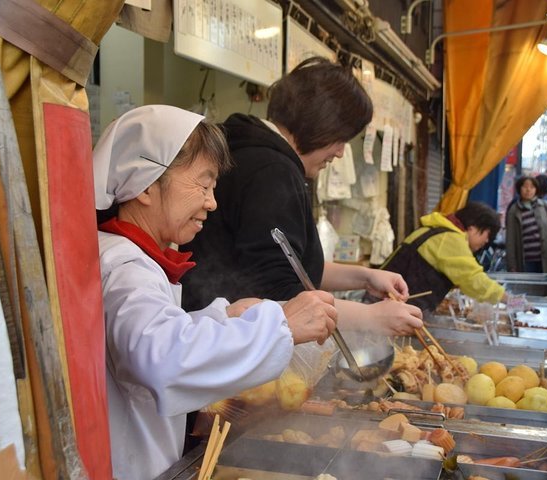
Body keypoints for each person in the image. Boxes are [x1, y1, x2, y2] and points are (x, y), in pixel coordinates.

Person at [94, 105, 338, 479]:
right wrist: (280, 323)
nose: (212, 202)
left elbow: (153, 336)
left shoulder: (130, 257)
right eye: (203, 185)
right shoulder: (127, 268)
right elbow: (159, 359)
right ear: (146, 184)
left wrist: (223, 317)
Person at [180, 57, 423, 337]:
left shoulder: (249, 151)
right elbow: (278, 292)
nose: (341, 153)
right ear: (322, 124)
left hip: (213, 328)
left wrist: (365, 276)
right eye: (341, 139)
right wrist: (370, 317)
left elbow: (292, 264)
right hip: (233, 341)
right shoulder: (272, 171)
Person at [376, 202, 506, 311]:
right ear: (472, 228)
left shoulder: (437, 230)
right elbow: (472, 279)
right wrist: (509, 300)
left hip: (384, 300)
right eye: (487, 235)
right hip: (387, 306)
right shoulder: (450, 239)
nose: (486, 241)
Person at [506, 176, 547, 274]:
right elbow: (510, 239)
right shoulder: (514, 210)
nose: (528, 190)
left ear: (536, 189)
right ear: (519, 189)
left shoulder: (544, 205)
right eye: (525, 186)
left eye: (532, 187)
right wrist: (512, 265)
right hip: (526, 260)